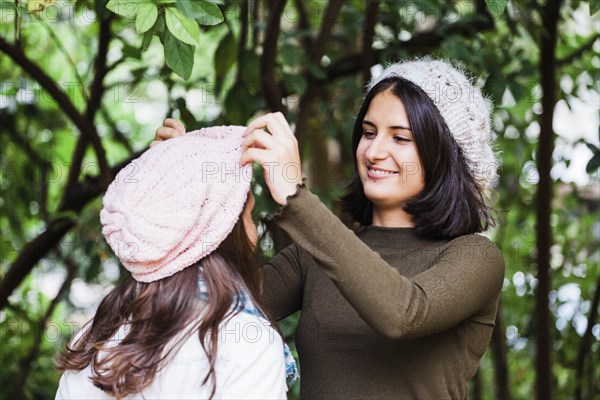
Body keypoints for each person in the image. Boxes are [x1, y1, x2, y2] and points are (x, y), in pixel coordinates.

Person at [153, 58, 505, 399]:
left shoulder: (475, 256)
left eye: (400, 138)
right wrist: (180, 191)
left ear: (443, 154)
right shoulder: (314, 256)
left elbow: (405, 314)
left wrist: (296, 196)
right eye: (368, 132)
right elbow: (213, 306)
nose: (374, 151)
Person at [55, 126, 295, 399]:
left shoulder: (92, 339)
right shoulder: (247, 341)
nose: (254, 235)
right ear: (225, 235)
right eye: (249, 216)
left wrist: (178, 171)